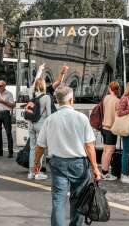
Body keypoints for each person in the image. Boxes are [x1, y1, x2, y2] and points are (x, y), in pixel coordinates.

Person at [33, 85, 102, 226]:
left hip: (58, 163)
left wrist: (36, 163)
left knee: (58, 201)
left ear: (58, 101)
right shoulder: (81, 118)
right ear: (71, 100)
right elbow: (89, 146)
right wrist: (95, 168)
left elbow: (40, 146)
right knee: (79, 198)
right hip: (79, 164)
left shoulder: (50, 120)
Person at [27, 64, 66, 180]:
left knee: (33, 148)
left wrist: (39, 70)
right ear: (44, 85)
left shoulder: (31, 92)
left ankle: (31, 173)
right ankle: (38, 173)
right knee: (41, 149)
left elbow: (35, 83)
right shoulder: (46, 97)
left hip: (31, 123)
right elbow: (49, 115)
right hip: (41, 125)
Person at [100, 81, 121, 180]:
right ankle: (105, 173)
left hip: (104, 127)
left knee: (105, 151)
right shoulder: (117, 100)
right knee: (109, 151)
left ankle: (103, 171)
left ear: (110, 89)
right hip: (111, 128)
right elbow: (117, 116)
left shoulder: (106, 98)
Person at [0, 80, 15, 158]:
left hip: (5, 113)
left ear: (4, 86)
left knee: (8, 133)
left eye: (1, 86)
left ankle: (10, 152)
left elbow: (12, 105)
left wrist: (3, 102)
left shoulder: (9, 94)